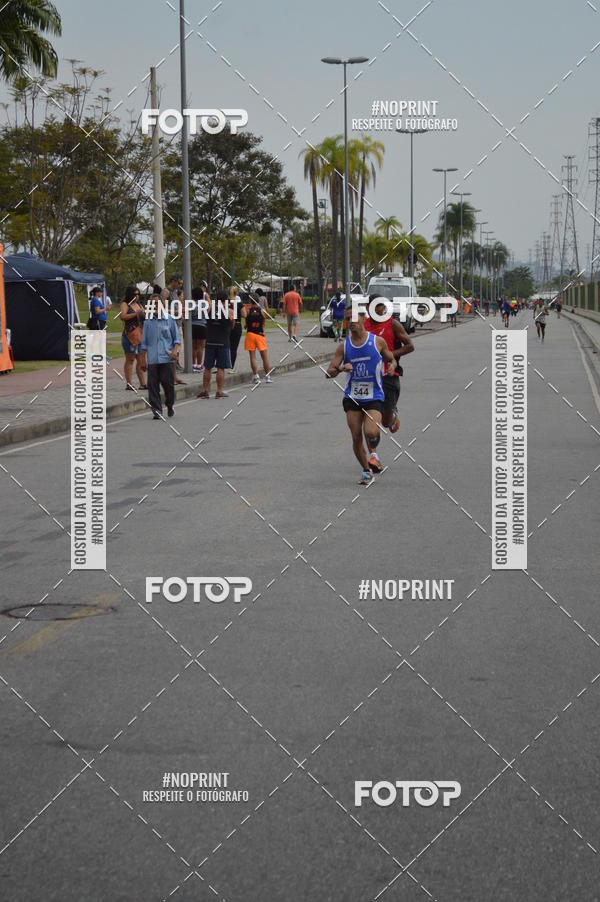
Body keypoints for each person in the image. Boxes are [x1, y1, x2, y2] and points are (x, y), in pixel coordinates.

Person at [326, 307, 396, 484]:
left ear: (363, 318)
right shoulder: (344, 346)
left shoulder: (377, 342)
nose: (351, 322)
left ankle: (373, 453)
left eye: (354, 318)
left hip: (374, 395)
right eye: (348, 318)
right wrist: (341, 369)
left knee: (371, 431)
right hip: (353, 396)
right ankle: (366, 470)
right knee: (356, 436)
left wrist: (393, 366)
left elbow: (391, 358)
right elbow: (329, 372)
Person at [365, 297, 414, 435]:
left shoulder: (393, 324)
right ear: (368, 307)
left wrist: (389, 355)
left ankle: (392, 413)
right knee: (369, 415)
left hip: (389, 375)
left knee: (386, 422)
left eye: (380, 306)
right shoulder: (364, 325)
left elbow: (410, 346)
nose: (377, 309)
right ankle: (372, 448)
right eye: (374, 306)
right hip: (368, 376)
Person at [139, 294, 180, 419]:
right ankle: (157, 410)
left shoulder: (169, 320)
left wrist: (175, 351)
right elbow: (144, 344)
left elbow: (176, 340)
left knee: (168, 385)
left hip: (166, 359)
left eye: (157, 303)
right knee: (153, 386)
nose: (155, 306)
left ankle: (170, 404)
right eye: (153, 303)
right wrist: (142, 360)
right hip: (152, 360)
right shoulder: (147, 322)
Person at [197, 290, 232, 399]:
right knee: (221, 367)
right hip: (223, 341)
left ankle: (205, 390)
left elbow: (206, 320)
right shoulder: (229, 311)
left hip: (210, 341)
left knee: (208, 367)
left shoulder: (210, 309)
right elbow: (232, 325)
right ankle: (219, 391)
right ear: (226, 300)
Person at [119, 285, 146, 390]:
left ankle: (143, 384)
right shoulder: (125, 304)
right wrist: (136, 314)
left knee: (140, 359)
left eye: (138, 294)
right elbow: (123, 316)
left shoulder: (139, 304)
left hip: (140, 335)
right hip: (129, 335)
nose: (137, 296)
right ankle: (129, 384)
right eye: (135, 294)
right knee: (130, 359)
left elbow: (143, 315)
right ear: (130, 294)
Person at [244, 296, 272, 384]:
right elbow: (264, 322)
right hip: (260, 335)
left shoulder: (248, 311)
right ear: (258, 301)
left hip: (250, 334)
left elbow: (245, 325)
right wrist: (263, 329)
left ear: (250, 301)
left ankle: (256, 377)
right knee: (264, 357)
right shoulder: (262, 311)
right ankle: (268, 376)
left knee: (253, 357)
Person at [167, 273, 186, 385]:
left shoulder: (174, 292)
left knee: (177, 352)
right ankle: (171, 377)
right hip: (171, 325)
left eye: (181, 284)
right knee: (173, 352)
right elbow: (162, 308)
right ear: (173, 281)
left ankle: (174, 376)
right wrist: (175, 312)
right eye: (179, 283)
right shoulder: (166, 292)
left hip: (177, 324)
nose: (180, 285)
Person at [229, 285, 243, 372]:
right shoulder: (239, 303)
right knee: (234, 347)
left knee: (225, 346)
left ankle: (219, 365)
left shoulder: (225, 302)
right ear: (236, 292)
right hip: (236, 325)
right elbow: (245, 314)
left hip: (226, 325)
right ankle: (231, 367)